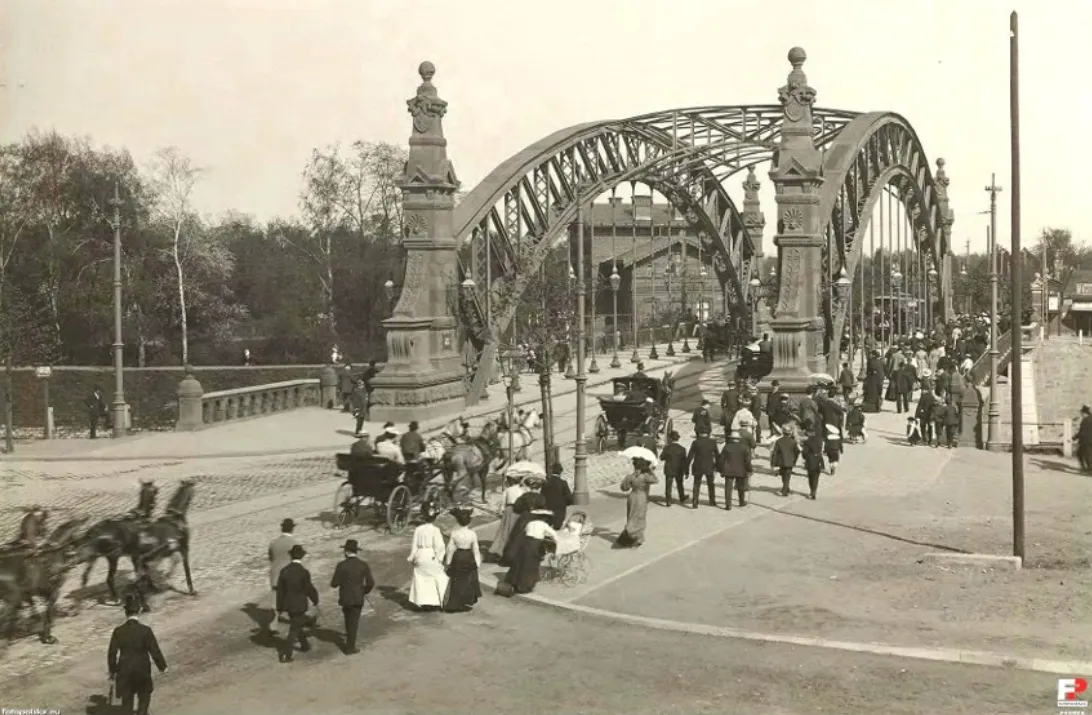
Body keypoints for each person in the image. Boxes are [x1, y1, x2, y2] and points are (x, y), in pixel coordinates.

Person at [108, 591, 168, 715]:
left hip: (124, 670)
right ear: (139, 611)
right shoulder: (145, 631)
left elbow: (112, 653)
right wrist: (162, 667)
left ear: (126, 612)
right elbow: (154, 650)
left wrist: (112, 671)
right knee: (144, 697)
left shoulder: (118, 632)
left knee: (127, 703)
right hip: (142, 669)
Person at [275, 544, 319, 663]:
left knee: (296, 623)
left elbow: (280, 591)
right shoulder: (304, 572)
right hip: (300, 604)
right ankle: (286, 654)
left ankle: (305, 645)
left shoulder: (284, 571)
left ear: (291, 556)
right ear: (301, 557)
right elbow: (309, 588)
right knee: (294, 629)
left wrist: (279, 607)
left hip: (288, 604)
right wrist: (315, 600)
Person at [330, 539, 375, 654]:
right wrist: (364, 591)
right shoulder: (363, 565)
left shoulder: (341, 565)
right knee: (354, 621)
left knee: (347, 618)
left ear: (345, 552)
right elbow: (370, 583)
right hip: (358, 597)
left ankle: (349, 642)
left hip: (345, 597)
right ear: (356, 551)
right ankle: (350, 646)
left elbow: (334, 583)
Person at [502, 507, 556, 594]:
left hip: (524, 543)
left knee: (520, 563)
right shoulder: (543, 525)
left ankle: (515, 582)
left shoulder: (530, 523)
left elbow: (525, 532)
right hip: (535, 545)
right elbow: (554, 534)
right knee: (531, 565)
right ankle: (525, 586)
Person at [407, 506, 448, 610]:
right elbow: (439, 546)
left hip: (420, 555)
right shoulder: (435, 530)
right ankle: (436, 601)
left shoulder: (418, 529)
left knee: (421, 578)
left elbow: (414, 545)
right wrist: (439, 559)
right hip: (430, 554)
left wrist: (412, 557)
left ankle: (422, 601)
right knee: (439, 576)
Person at [444, 508, 482, 612]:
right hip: (469, 557)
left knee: (457, 581)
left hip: (458, 557)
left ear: (457, 521)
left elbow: (450, 549)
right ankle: (467, 600)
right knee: (468, 580)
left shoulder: (454, 533)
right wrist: (477, 563)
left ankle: (455, 603)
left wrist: (448, 562)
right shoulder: (472, 534)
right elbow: (476, 550)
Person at [615, 455, 658, 547]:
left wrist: (630, 484)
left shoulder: (629, 476)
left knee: (631, 515)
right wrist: (651, 471)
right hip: (642, 497)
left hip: (632, 496)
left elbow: (624, 488)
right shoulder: (645, 477)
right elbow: (656, 480)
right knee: (640, 516)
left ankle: (631, 534)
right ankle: (638, 537)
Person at [267, 518, 298, 632]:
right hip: (289, 575)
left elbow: (271, 558)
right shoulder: (294, 543)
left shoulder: (273, 543)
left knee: (276, 600)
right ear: (292, 529)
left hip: (275, 575)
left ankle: (273, 625)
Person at [488, 472, 526, 562]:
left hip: (509, 510)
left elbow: (503, 504)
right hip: (519, 510)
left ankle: (501, 551)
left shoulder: (507, 490)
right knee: (518, 531)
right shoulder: (523, 490)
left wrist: (501, 512)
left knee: (505, 531)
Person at [687, 428, 719, 509]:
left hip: (698, 466)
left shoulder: (695, 442)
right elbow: (717, 455)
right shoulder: (712, 442)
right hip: (709, 466)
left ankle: (695, 502)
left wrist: (686, 467)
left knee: (696, 484)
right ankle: (712, 501)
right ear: (708, 434)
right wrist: (718, 466)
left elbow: (690, 456)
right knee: (711, 484)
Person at [719, 430, 752, 510]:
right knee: (741, 487)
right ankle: (741, 502)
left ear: (731, 438)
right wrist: (749, 469)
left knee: (728, 488)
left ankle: (728, 505)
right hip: (740, 470)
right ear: (739, 439)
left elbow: (721, 459)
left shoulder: (727, 447)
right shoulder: (744, 447)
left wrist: (720, 469)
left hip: (728, 470)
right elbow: (747, 460)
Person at [540, 462, 573, 529]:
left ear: (552, 471)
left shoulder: (545, 483)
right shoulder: (563, 483)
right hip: (559, 512)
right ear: (560, 472)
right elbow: (569, 498)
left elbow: (541, 496)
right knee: (558, 529)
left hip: (548, 511)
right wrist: (565, 503)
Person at [659, 430, 688, 507]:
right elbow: (685, 461)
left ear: (670, 439)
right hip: (679, 469)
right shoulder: (682, 449)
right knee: (680, 484)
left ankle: (668, 501)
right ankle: (682, 497)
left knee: (668, 485)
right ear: (678, 439)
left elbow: (661, 458)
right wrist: (686, 471)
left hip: (669, 468)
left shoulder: (667, 448)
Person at [770, 426, 800, 497]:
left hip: (781, 461)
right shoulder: (793, 442)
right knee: (787, 476)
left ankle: (785, 489)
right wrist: (794, 460)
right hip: (790, 461)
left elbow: (775, 452)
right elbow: (797, 451)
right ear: (790, 433)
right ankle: (785, 490)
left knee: (784, 476)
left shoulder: (778, 441)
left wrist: (773, 463)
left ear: (783, 433)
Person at [801, 427, 825, 500]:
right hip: (819, 459)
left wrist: (805, 457)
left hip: (810, 461)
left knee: (811, 477)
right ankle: (814, 491)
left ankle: (812, 491)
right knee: (816, 477)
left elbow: (804, 453)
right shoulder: (819, 440)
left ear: (809, 433)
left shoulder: (807, 442)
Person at [1076, 406, 1092, 473]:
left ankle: (1089, 470)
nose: (1081, 415)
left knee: (1087, 455)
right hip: (1089, 440)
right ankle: (1085, 468)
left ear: (1084, 413)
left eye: (1081, 413)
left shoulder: (1085, 420)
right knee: (1080, 453)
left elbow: (1082, 432)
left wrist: (1073, 438)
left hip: (1086, 441)